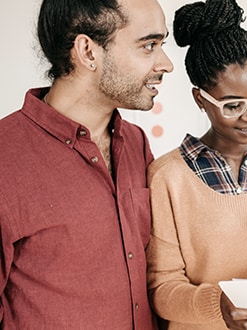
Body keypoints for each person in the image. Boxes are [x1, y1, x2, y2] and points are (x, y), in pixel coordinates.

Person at [0, 0, 173, 328]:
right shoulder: (4, 158)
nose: (165, 64)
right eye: (149, 45)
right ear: (88, 52)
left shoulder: (136, 143)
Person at [145, 1, 247, 329]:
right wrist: (218, 306)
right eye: (232, 105)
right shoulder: (167, 178)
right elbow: (162, 289)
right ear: (200, 99)